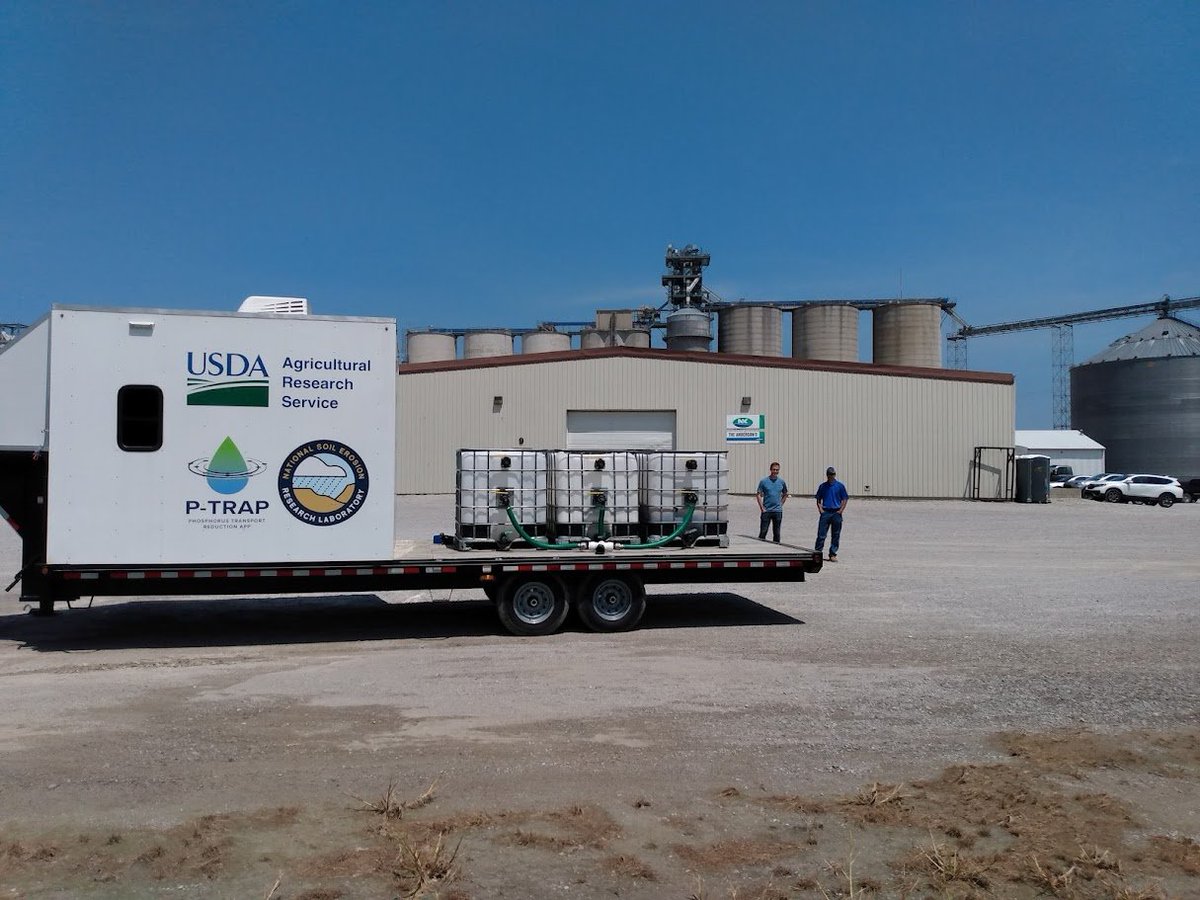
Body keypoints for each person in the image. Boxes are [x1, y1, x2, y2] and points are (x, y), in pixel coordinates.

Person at [814, 466, 849, 561]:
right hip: (826, 513)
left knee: (836, 535)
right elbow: (818, 499)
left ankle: (833, 554)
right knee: (821, 534)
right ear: (827, 475)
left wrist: (841, 510)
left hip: (836, 513)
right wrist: (820, 509)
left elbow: (844, 499)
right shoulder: (823, 486)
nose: (831, 476)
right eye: (829, 474)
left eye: (833, 474)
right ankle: (818, 554)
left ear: (835, 475)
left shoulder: (840, 486)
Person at [756, 462, 789, 542]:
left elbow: (785, 494)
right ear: (770, 470)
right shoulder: (764, 482)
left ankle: (776, 550)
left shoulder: (781, 482)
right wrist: (762, 507)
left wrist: (781, 504)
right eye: (774, 469)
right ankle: (760, 549)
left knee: (777, 533)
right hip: (766, 510)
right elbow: (758, 494)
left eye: (777, 470)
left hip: (777, 511)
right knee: (763, 532)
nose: (775, 471)